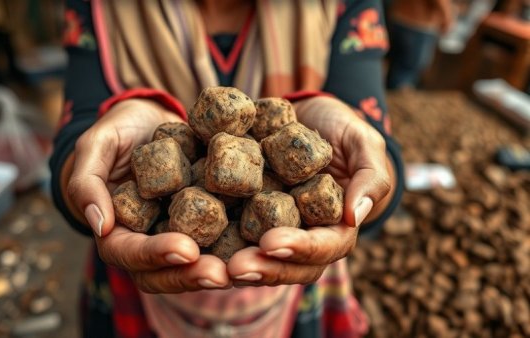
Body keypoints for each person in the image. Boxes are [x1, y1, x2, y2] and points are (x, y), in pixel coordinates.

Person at [50, 0, 404, 337]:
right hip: (133, 276)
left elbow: (378, 152)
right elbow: (75, 140)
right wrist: (84, 187)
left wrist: (364, 196)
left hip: (296, 282)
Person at [386, 0, 454, 89]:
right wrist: (447, 18)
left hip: (398, 18)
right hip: (419, 26)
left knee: (395, 68)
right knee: (406, 74)